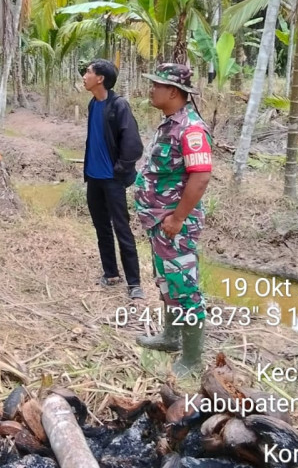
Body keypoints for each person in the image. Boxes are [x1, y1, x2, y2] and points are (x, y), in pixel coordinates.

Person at [133, 63, 212, 376]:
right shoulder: (170, 124)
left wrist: (178, 218)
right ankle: (170, 337)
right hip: (160, 223)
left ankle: (192, 360)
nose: (151, 90)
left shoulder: (191, 129)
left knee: (185, 288)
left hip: (175, 225)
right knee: (167, 281)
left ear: (174, 92)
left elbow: (201, 177)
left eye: (157, 85)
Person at [81, 59, 145, 300]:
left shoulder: (119, 106)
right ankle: (111, 273)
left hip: (112, 180)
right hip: (94, 179)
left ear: (100, 79)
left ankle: (135, 283)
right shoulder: (92, 105)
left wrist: (120, 171)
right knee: (101, 228)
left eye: (88, 72)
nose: (84, 76)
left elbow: (132, 144)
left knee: (122, 228)